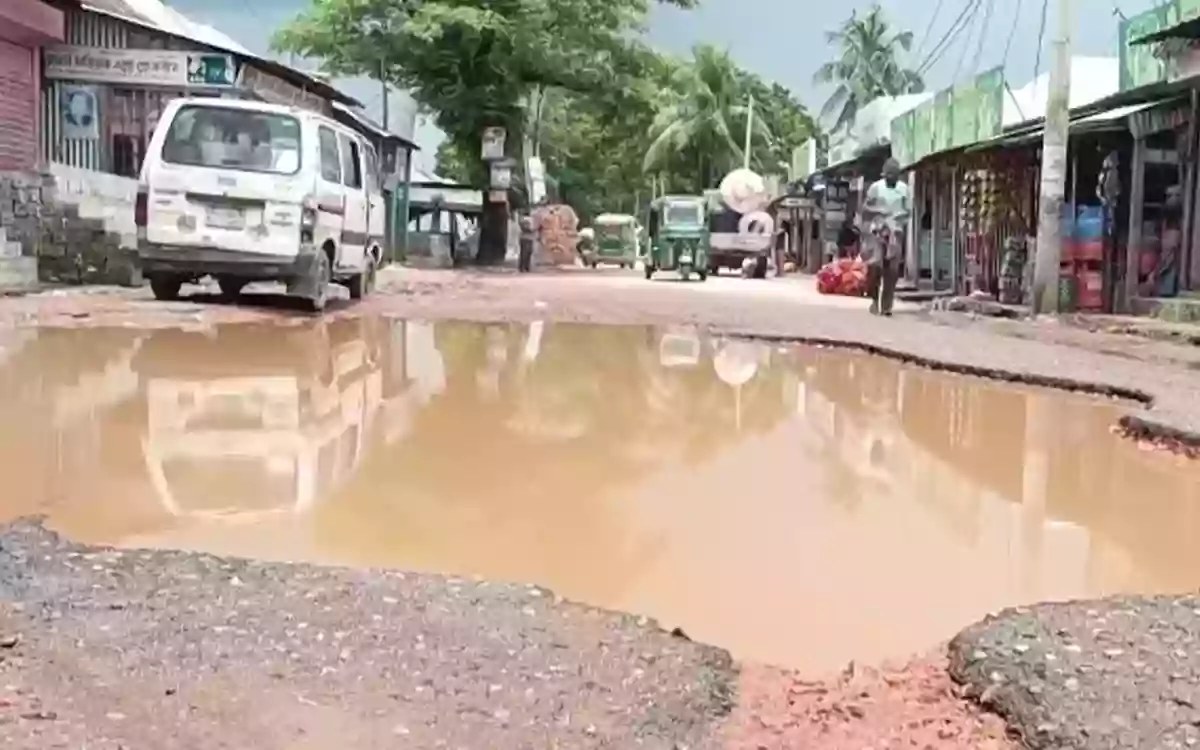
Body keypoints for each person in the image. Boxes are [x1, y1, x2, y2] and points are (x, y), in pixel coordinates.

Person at [861, 158, 910, 316]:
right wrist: (878, 212)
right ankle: (874, 299)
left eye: (894, 175)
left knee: (893, 270)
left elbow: (908, 211)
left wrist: (898, 219)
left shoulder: (904, 189)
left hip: (895, 232)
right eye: (889, 175)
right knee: (875, 266)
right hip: (878, 231)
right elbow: (865, 208)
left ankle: (887, 306)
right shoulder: (876, 188)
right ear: (884, 174)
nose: (891, 178)